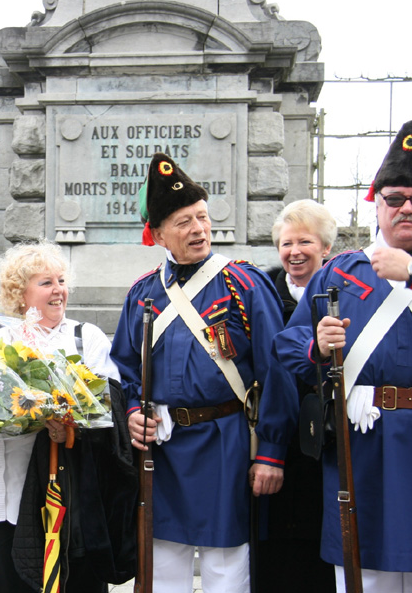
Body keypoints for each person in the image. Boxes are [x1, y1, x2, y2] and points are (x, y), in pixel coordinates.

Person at [275, 118, 412, 593]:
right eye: (394, 198)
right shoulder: (342, 272)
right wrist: (318, 347)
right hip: (363, 451)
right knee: (363, 580)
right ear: (378, 205)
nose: (406, 208)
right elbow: (286, 344)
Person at [111, 152, 297, 592]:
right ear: (157, 234)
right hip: (163, 450)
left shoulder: (243, 283)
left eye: (201, 217)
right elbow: (122, 371)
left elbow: (278, 373)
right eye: (182, 222)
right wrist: (132, 416)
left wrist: (270, 451)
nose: (198, 229)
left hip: (226, 444)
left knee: (226, 566)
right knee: (163, 565)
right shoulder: (142, 293)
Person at [0, 240, 136, 593]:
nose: (58, 290)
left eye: (61, 280)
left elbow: (109, 410)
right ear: (20, 293)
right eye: (46, 283)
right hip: (10, 495)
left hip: (74, 493)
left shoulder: (86, 338)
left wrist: (70, 430)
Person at [257, 199, 337, 593]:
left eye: (305, 241)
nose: (294, 252)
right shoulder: (261, 292)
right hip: (272, 439)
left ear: (326, 248)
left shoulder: (340, 294)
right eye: (286, 243)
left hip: (324, 438)